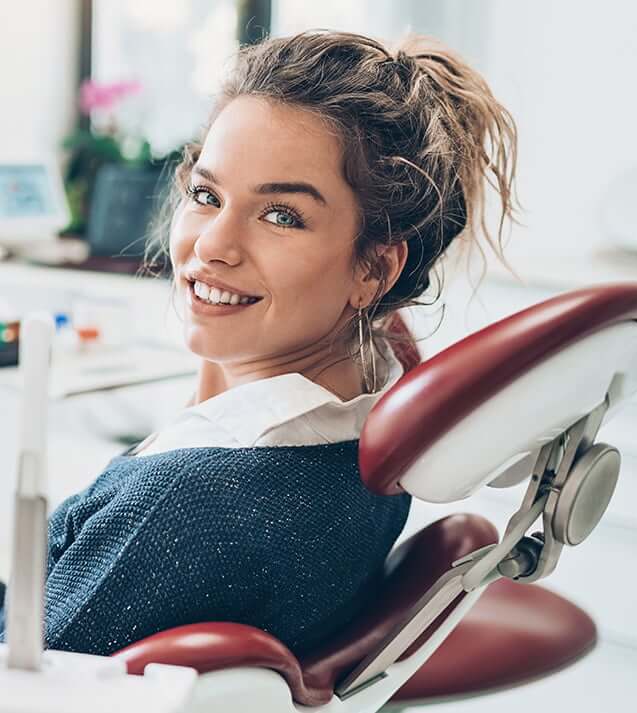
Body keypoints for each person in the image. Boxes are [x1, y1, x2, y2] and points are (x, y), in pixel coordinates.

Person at [0, 29, 520, 658]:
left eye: (281, 216)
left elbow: (30, 682)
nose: (211, 245)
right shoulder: (373, 421)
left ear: (374, 270)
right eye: (205, 195)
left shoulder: (180, 506)